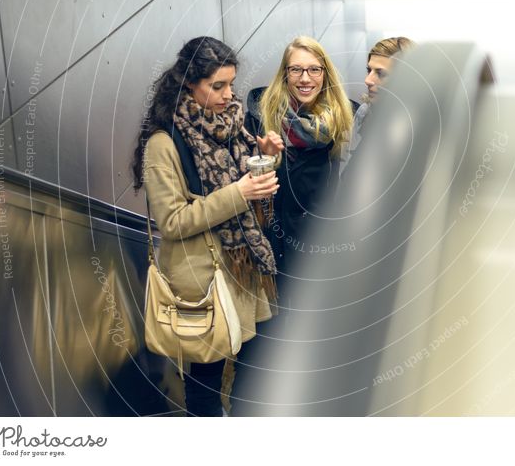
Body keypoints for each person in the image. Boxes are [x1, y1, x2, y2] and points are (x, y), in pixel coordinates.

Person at [131, 36, 284, 416]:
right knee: (205, 386)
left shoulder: (230, 125)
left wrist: (265, 158)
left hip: (244, 270)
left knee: (255, 372)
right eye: (217, 86)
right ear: (189, 83)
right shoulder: (163, 143)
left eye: (231, 84)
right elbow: (173, 220)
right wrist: (239, 192)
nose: (228, 94)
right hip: (205, 281)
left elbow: (247, 185)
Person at [244, 36, 353, 297]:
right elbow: (244, 188)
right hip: (271, 247)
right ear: (285, 74)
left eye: (314, 69)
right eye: (296, 70)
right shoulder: (259, 119)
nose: (305, 79)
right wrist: (266, 159)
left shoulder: (345, 121)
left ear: (325, 74)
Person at [341, 36, 415, 174]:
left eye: (380, 74)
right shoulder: (364, 113)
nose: (367, 80)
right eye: (369, 71)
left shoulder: (421, 129)